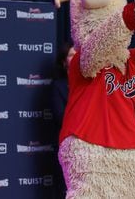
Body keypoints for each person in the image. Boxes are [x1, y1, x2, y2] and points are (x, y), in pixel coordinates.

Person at [50, 41, 76, 199]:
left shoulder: (89, 84)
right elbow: (60, 116)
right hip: (69, 144)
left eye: (77, 54)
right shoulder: (58, 86)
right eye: (71, 55)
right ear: (63, 61)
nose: (75, 58)